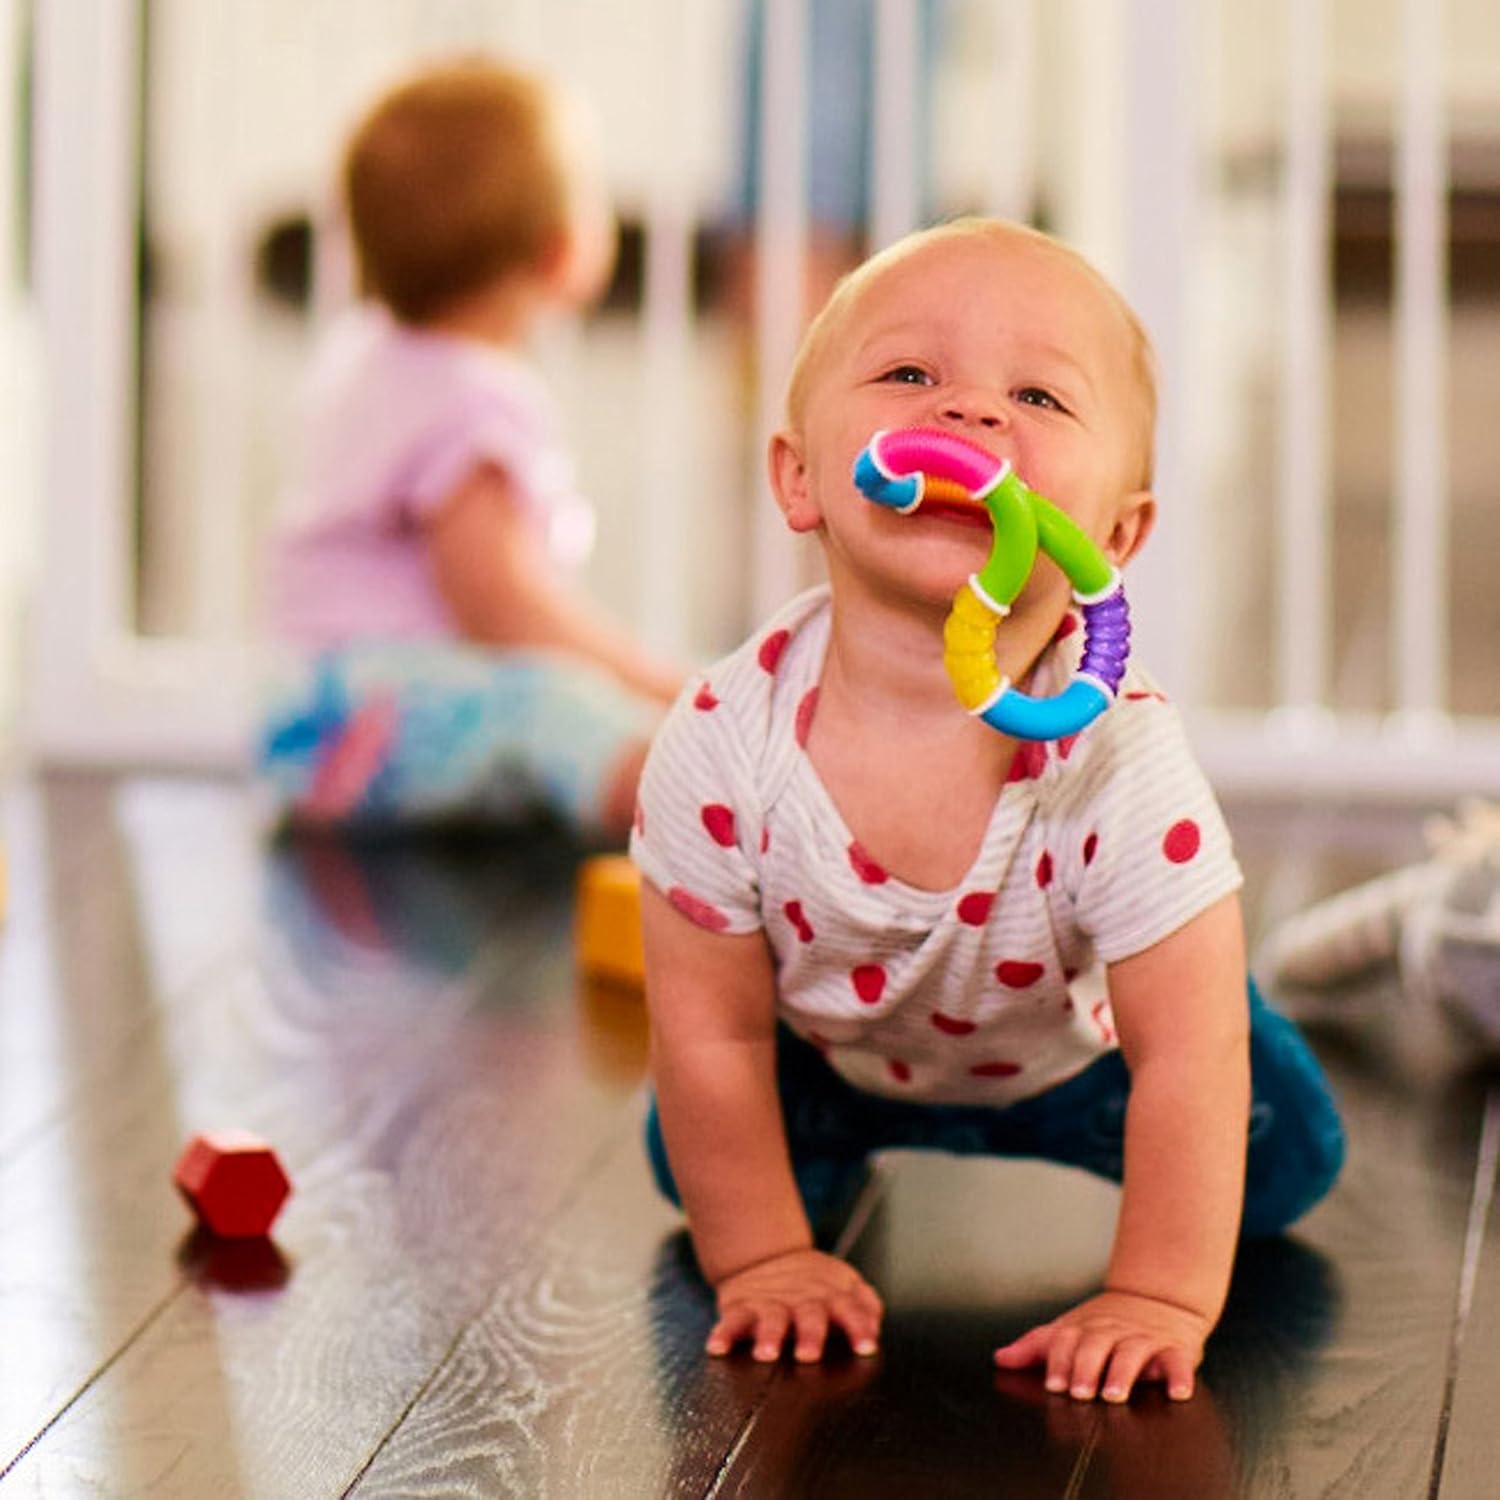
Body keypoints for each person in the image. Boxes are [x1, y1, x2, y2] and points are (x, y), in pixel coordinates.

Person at [629, 218, 1346, 1403]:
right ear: (801, 477)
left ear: (1112, 536)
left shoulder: (1117, 759)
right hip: (826, 1055)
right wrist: (760, 1259)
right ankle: (801, 1180)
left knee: (1283, 1159)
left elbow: (1184, 1059)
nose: (969, 415)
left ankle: (1209, 1036)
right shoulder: (719, 740)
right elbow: (710, 1032)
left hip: (1084, 1063)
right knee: (695, 1151)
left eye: (1037, 396)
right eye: (911, 374)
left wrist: (1157, 1294)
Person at [258, 59, 682, 837]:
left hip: (310, 723)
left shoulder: (366, 355)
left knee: (546, 706)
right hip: (383, 720)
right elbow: (500, 604)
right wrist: (659, 688)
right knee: (563, 709)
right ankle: (716, 822)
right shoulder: (475, 402)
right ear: (560, 250)